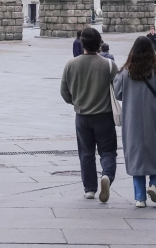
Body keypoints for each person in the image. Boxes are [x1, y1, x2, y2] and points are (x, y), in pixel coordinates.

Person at [113, 36, 156, 208]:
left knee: (136, 155)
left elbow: (117, 93)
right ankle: (154, 184)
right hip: (154, 117)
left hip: (131, 119)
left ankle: (139, 197)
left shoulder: (125, 72)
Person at [60, 27, 119, 203]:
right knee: (108, 151)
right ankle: (107, 176)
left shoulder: (71, 64)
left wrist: (76, 101)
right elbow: (118, 90)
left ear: (82, 43)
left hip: (82, 116)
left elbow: (64, 92)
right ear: (99, 44)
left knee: (86, 153)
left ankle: (90, 189)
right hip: (104, 115)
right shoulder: (109, 65)